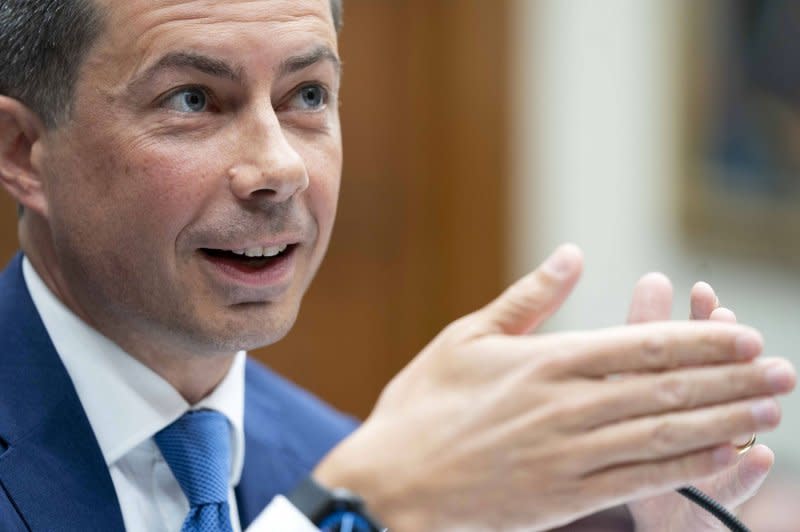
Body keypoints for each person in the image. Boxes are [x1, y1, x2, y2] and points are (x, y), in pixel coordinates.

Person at [0, 0, 794, 530]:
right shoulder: (377, 484)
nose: (280, 169)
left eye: (307, 95)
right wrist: (350, 510)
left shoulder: (335, 450)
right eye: (193, 101)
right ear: (23, 152)